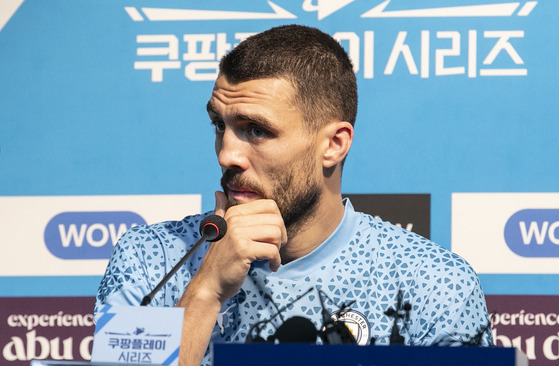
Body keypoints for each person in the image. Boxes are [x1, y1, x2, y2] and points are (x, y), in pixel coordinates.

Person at [95, 24, 493, 366]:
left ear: (334, 145)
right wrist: (205, 290)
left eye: (256, 130)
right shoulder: (150, 257)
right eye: (220, 125)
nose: (227, 154)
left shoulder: (433, 282)